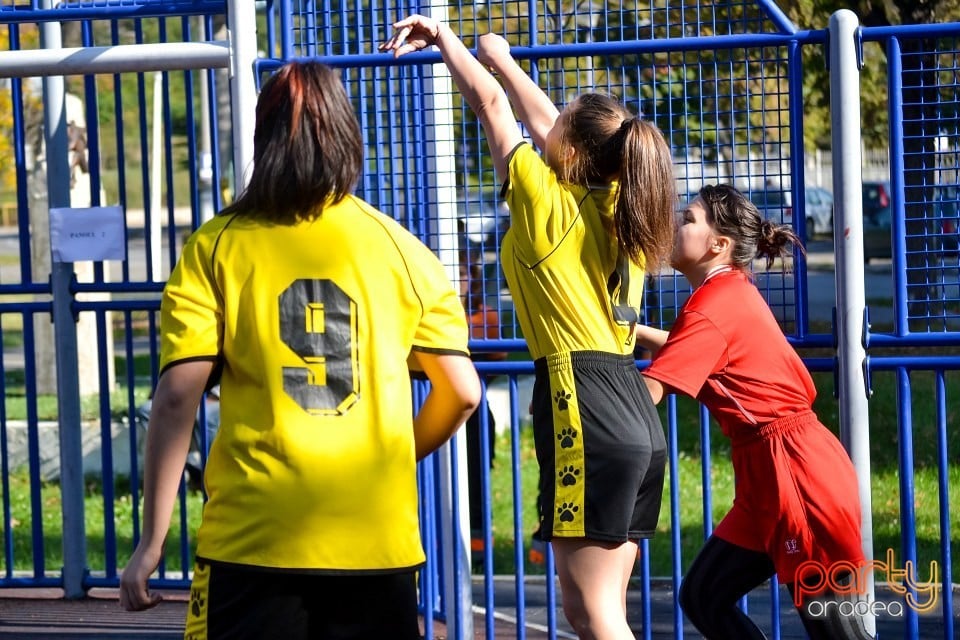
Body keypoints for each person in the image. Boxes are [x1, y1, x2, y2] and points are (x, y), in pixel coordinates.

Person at [118, 60, 481, 640]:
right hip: (374, 540)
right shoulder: (402, 251)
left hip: (253, 539)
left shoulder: (217, 246)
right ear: (346, 136)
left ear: (263, 141)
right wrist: (389, 457)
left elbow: (176, 397)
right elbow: (462, 394)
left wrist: (151, 541)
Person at [382, 18, 675, 639]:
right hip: (633, 412)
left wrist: (445, 38)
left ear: (568, 154)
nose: (548, 124)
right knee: (589, 610)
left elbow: (490, 102)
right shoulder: (622, 202)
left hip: (584, 405)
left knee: (596, 615)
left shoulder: (545, 204)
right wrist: (502, 55)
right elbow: (548, 124)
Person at [636, 184, 874, 640]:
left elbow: (650, 390)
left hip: (797, 476)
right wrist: (633, 331)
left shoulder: (711, 307)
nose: (674, 226)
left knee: (837, 633)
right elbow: (697, 348)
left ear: (718, 244)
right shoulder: (723, 293)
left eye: (687, 220)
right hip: (771, 473)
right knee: (703, 596)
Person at [458, 246, 507, 559]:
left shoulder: (483, 314)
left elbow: (500, 356)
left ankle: (477, 549)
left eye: (462, 275)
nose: (457, 281)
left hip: (475, 410)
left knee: (476, 473)